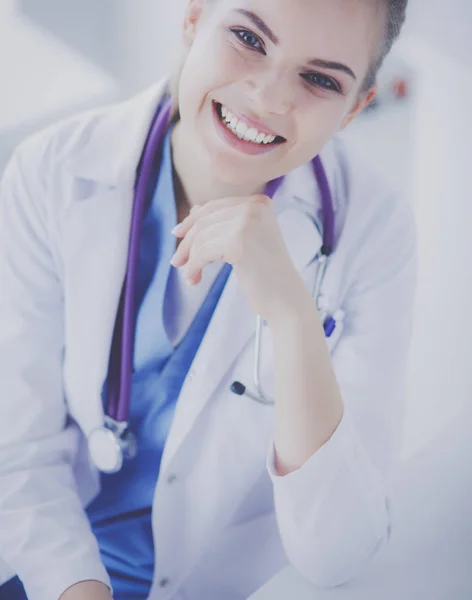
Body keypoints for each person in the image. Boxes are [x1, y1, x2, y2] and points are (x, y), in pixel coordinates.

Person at [0, 0, 416, 598]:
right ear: (194, 20)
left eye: (321, 79)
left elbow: (338, 554)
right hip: (46, 560)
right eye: (248, 37)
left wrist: (293, 317)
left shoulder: (374, 233)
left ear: (355, 108)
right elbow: (19, 451)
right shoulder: (52, 172)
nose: (270, 96)